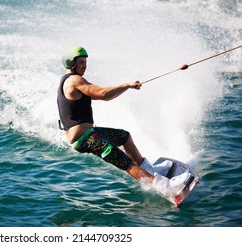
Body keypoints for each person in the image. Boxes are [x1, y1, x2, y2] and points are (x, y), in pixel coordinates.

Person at [57, 46, 190, 198]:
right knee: (125, 162)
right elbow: (103, 94)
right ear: (70, 64)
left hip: (89, 134)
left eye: (86, 62)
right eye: (81, 62)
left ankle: (150, 170)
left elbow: (103, 95)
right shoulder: (74, 80)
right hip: (85, 139)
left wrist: (127, 88)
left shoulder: (70, 80)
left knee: (124, 137)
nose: (85, 66)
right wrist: (127, 85)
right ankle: (164, 187)